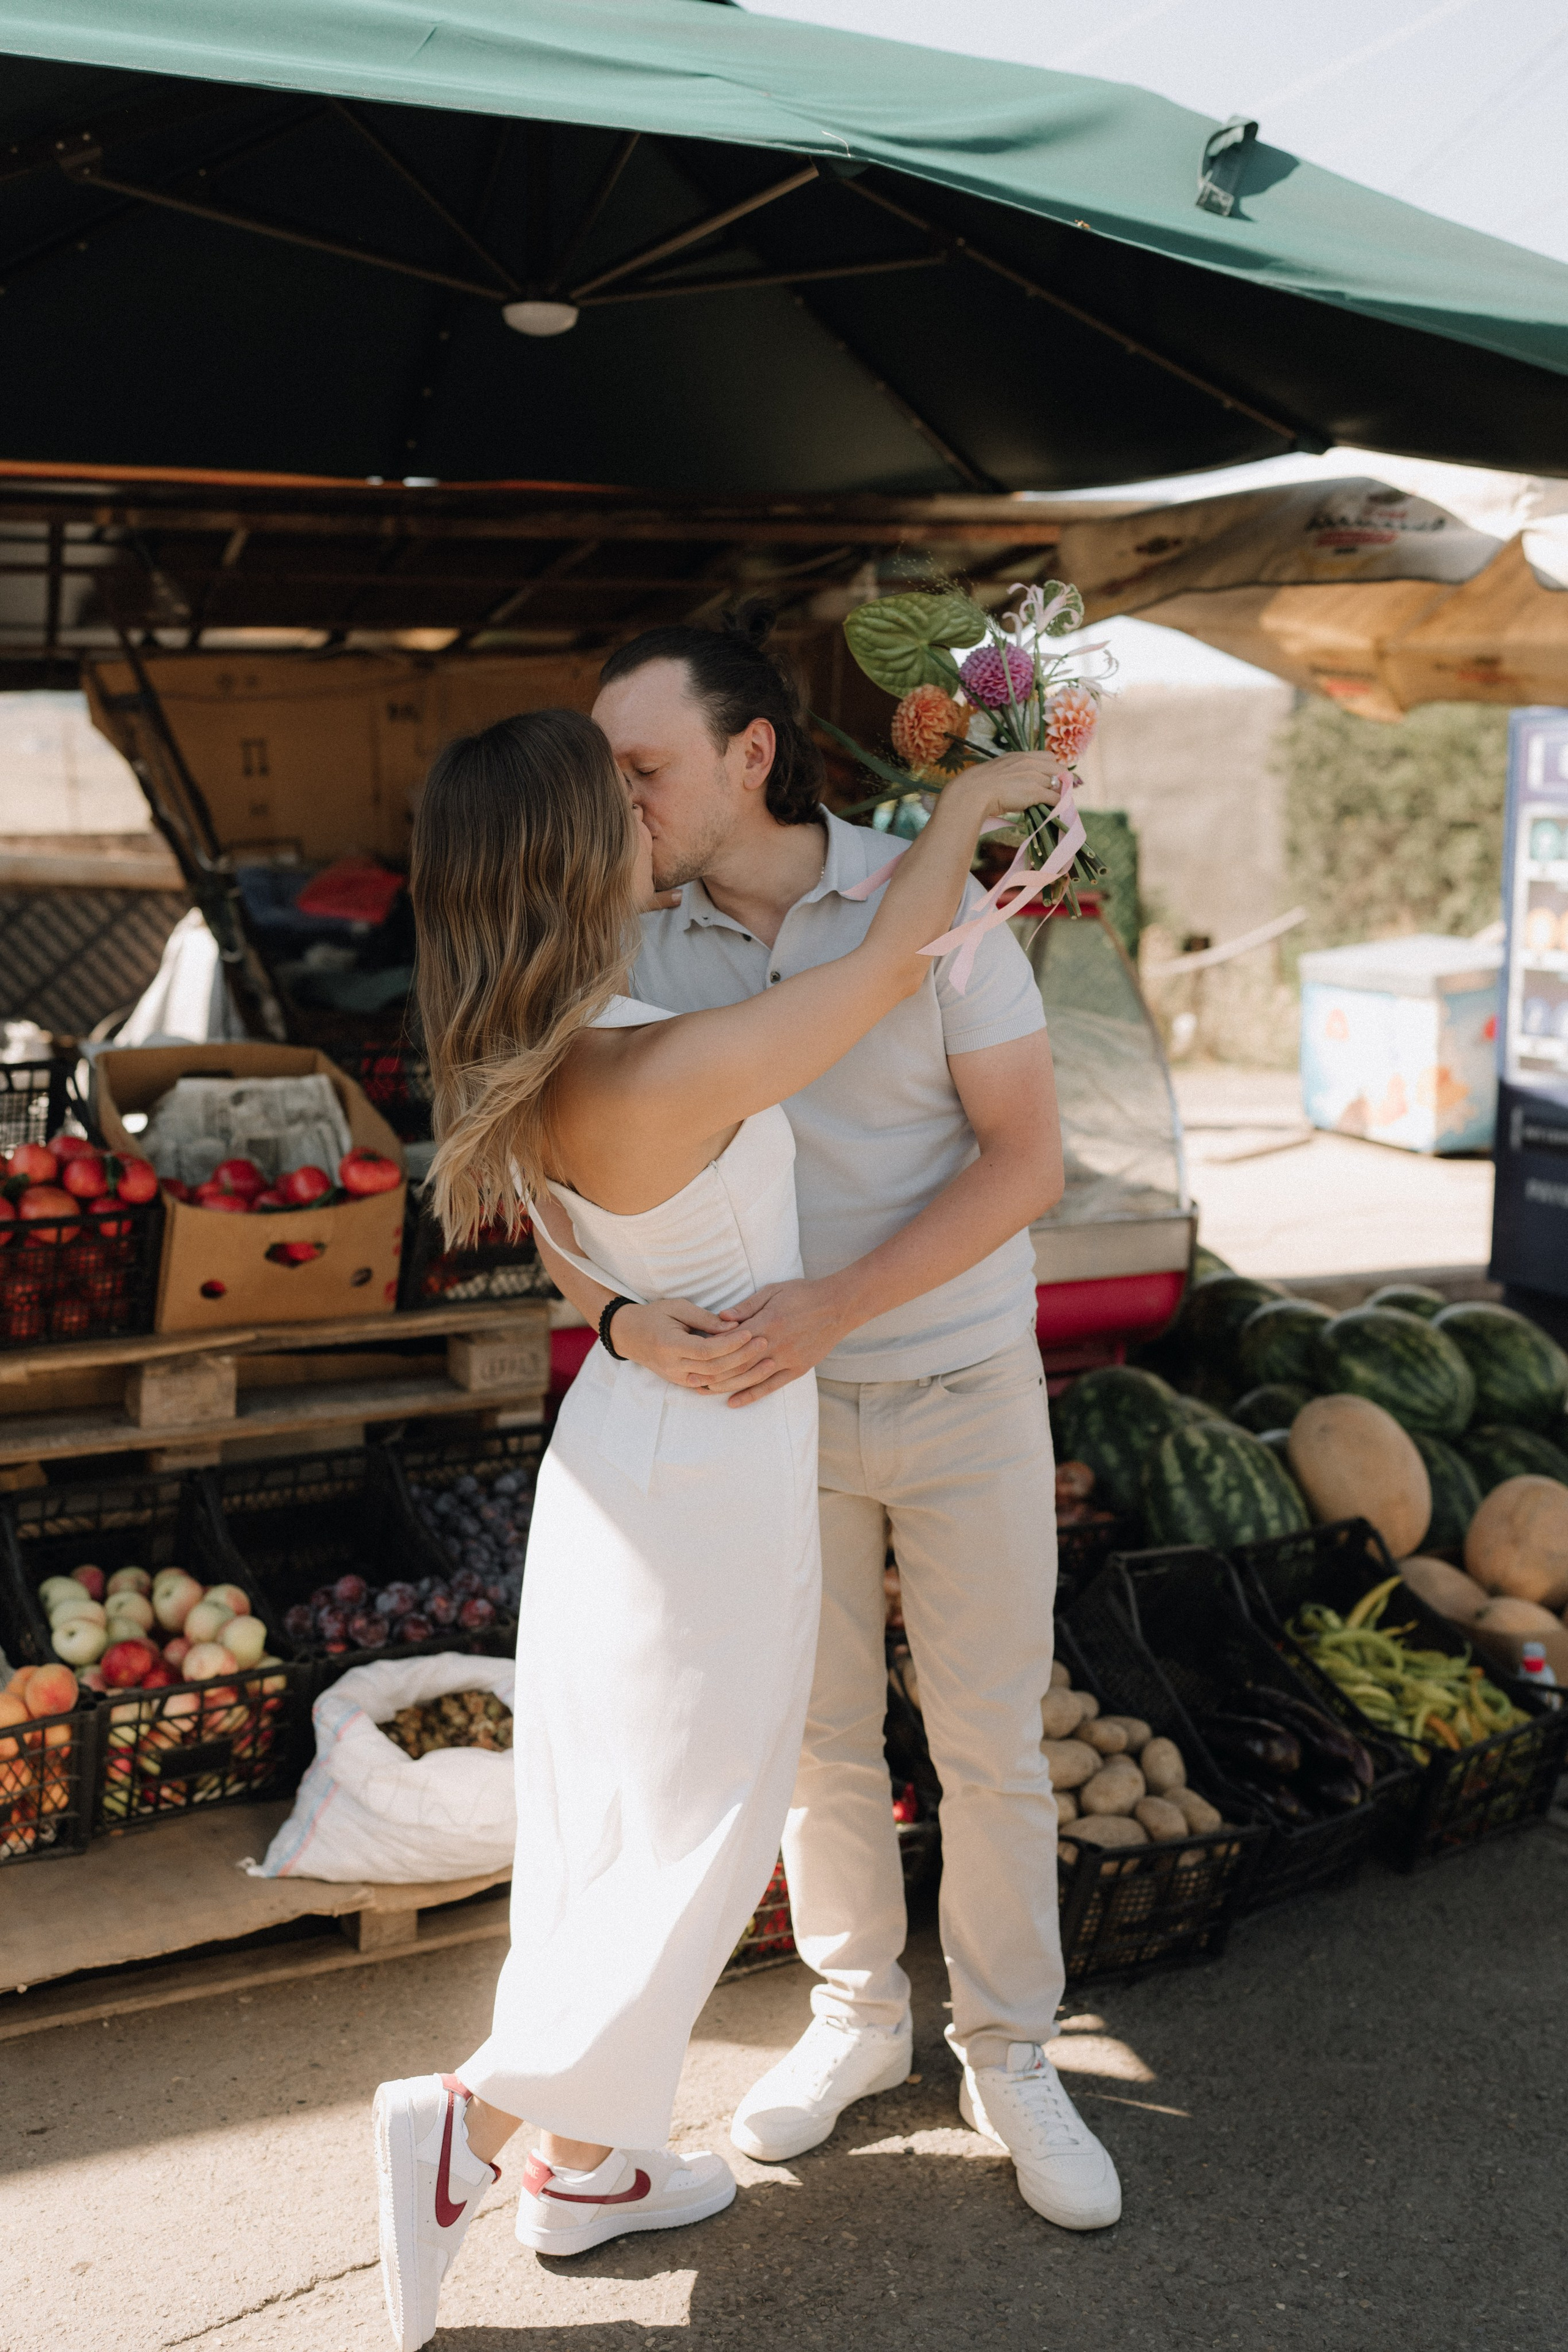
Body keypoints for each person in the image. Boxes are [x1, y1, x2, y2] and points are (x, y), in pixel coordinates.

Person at [371, 704, 1057, 2351]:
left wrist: (616, 1327)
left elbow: (578, 1264)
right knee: (691, 1832)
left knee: (618, 1820)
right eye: (613, 799)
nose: (640, 816)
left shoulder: (546, 1040)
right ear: (568, 852)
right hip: (705, 1484)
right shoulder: (657, 1055)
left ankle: (589, 2170)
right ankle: (480, 2118)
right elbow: (894, 968)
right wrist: (972, 792)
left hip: (633, 1438)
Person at [539, 609, 1121, 2235]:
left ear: (749, 754)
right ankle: (860, 2020)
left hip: (954, 1392)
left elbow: (1025, 1162)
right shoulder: (626, 940)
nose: (620, 801)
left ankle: (1014, 2053)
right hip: (756, 1429)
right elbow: (554, 1179)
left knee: (991, 1741)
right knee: (816, 1743)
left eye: (642, 768)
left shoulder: (937, 907)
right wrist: (609, 1313)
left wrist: (834, 1309)